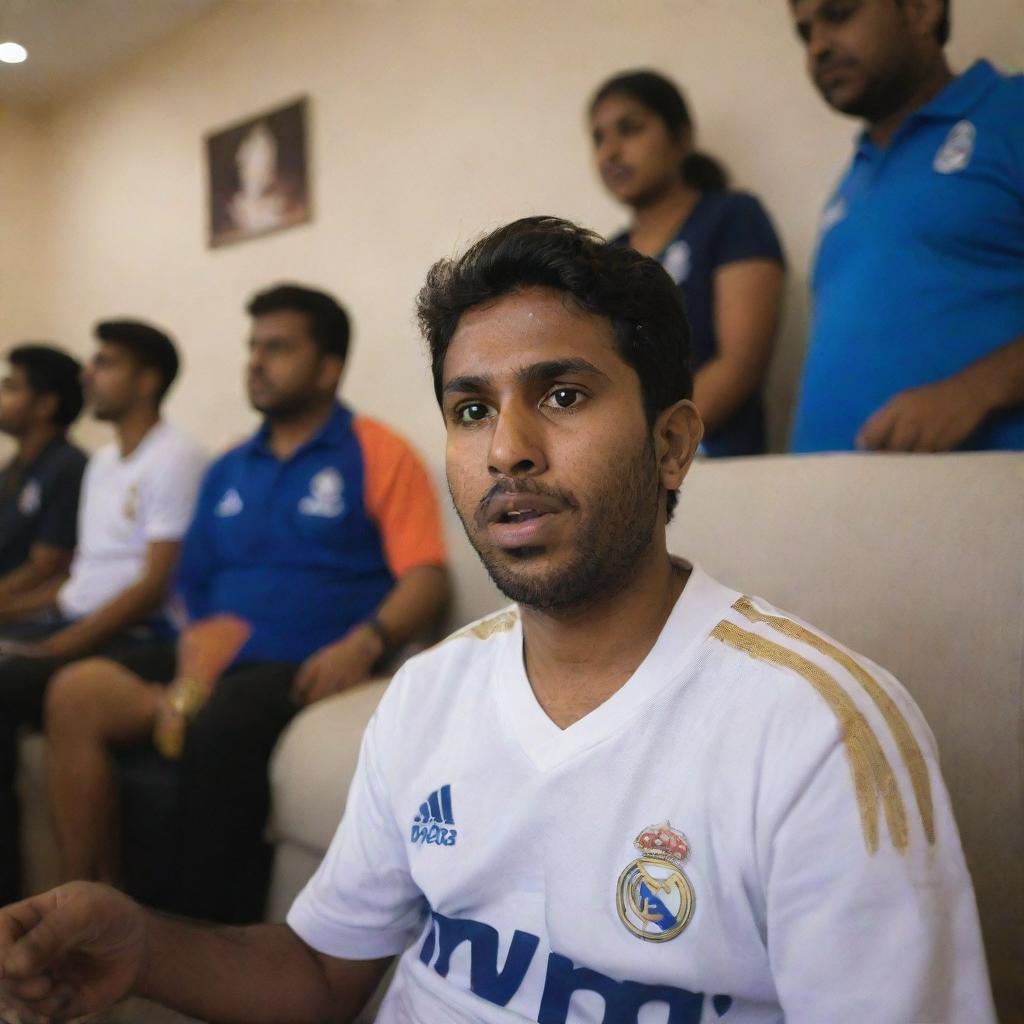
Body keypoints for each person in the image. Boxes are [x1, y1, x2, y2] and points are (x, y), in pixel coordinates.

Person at [0, 219, 994, 1023]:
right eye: (470, 409)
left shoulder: (821, 733)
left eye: (561, 394)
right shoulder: (430, 693)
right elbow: (315, 976)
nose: (506, 449)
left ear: (673, 444)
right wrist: (141, 941)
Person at [43, 284, 449, 924]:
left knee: (222, 726)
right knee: (72, 691)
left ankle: (208, 935)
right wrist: (192, 661)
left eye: (278, 348)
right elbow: (192, 580)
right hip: (208, 658)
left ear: (328, 367)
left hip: (303, 660)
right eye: (252, 347)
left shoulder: (377, 451)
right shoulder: (229, 465)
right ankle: (87, 907)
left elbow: (426, 575)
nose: (256, 361)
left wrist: (365, 642)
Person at [0, 320, 205, 907]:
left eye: (106, 363)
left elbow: (152, 585)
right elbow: (78, 578)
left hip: (141, 631)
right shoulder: (103, 465)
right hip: (72, 619)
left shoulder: (177, 455)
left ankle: (45, 896)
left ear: (147, 381)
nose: (88, 374)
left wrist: (58, 647)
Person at [789, 0, 1024, 452]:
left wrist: (975, 391)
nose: (817, 46)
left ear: (920, 10)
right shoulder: (850, 182)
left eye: (838, 14)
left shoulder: (1012, 112)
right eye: (804, 32)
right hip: (830, 504)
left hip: (978, 503)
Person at [590, 69, 785, 456]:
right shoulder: (604, 258)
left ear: (681, 137)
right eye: (598, 138)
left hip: (720, 465)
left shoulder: (732, 218)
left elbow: (739, 365)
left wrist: (647, 447)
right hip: (631, 473)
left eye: (629, 129)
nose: (610, 151)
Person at [0, 345, 86, 617]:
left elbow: (46, 566)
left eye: (11, 388)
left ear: (45, 405)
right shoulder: (14, 469)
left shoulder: (68, 466)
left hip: (27, 618)